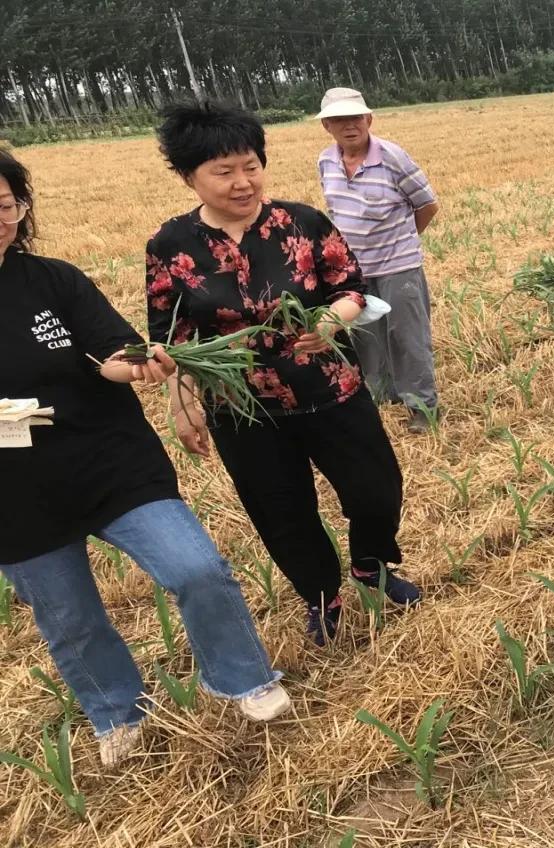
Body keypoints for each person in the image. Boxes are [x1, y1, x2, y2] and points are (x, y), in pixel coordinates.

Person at [0, 150, 290, 767]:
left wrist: (136, 365)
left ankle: (242, 677)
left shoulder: (53, 280)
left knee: (197, 569)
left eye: (6, 206)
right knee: (70, 618)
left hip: (109, 459)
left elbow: (109, 352)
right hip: (13, 491)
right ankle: (117, 712)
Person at [146, 101, 422, 648]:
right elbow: (171, 337)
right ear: (188, 177)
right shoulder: (171, 246)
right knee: (281, 511)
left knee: (377, 489)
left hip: (329, 387)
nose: (242, 182)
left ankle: (371, 563)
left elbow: (350, 286)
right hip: (242, 407)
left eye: (251, 166)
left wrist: (331, 320)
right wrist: (182, 406)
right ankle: (321, 596)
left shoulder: (302, 222)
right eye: (224, 172)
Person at [316, 87, 442, 434]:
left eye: (355, 117)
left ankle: (422, 406)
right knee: (365, 336)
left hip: (399, 266)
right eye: (339, 119)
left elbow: (427, 205)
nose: (349, 125)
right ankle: (381, 395)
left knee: (408, 338)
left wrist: (404, 241)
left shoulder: (392, 157)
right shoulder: (326, 161)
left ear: (369, 119)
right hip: (354, 271)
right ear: (327, 125)